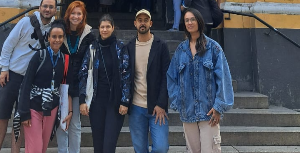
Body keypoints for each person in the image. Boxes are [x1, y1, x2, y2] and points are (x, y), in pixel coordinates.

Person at [0, 0, 57, 153]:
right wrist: (4, 68)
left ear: (55, 10)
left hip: (31, 81)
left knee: (21, 119)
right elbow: (8, 44)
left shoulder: (53, 29)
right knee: (2, 116)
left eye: (51, 7)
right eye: (45, 6)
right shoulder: (25, 22)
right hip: (12, 75)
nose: (47, 9)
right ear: (40, 7)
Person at [167, 8, 234, 153]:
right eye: (186, 20)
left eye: (192, 19)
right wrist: (178, 100)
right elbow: (171, 77)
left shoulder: (213, 48)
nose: (190, 22)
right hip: (188, 112)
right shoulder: (180, 50)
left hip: (208, 112)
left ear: (199, 21)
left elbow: (224, 78)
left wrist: (218, 107)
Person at [79, 14, 131, 153]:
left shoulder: (120, 48)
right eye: (102, 27)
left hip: (114, 102)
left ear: (113, 28)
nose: (105, 29)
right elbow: (84, 73)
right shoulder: (92, 48)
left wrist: (125, 101)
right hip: (96, 102)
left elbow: (126, 74)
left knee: (109, 144)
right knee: (98, 143)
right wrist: (83, 100)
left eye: (108, 26)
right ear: (98, 29)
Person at [18, 21, 72, 153]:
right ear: (48, 37)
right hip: (33, 108)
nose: (57, 40)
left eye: (60, 37)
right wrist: (24, 113)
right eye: (54, 36)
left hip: (51, 108)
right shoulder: (39, 56)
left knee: (42, 147)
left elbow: (65, 87)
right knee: (35, 148)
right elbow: (26, 84)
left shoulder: (63, 60)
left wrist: (69, 111)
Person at [127, 9, 170, 153]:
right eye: (140, 20)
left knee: (161, 148)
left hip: (157, 107)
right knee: (140, 149)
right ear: (135, 23)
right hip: (136, 107)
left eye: (146, 20)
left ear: (151, 23)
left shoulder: (161, 45)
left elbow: (167, 76)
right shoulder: (129, 47)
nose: (143, 23)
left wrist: (161, 103)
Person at [57, 1, 96, 153]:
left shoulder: (89, 36)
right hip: (62, 83)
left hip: (79, 84)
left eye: (79, 13)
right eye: (73, 13)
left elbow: (92, 62)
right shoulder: (61, 32)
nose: (75, 16)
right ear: (68, 14)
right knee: (62, 120)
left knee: (75, 123)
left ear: (83, 16)